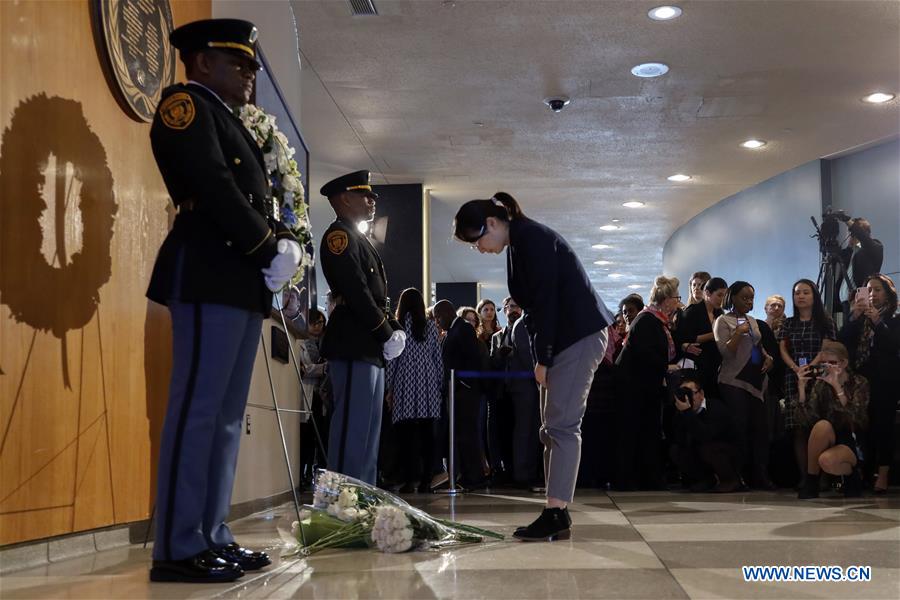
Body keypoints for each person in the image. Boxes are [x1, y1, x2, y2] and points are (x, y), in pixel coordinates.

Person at [146, 19, 299, 583]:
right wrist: (266, 244)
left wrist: (278, 244)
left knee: (228, 417)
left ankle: (212, 532)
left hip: (237, 277)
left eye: (253, 66)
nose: (250, 76)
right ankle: (179, 545)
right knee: (199, 409)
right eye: (240, 64)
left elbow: (247, 193)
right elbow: (212, 184)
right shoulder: (184, 108)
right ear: (201, 61)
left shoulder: (229, 119)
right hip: (209, 269)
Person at [453, 192, 612, 542]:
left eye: (477, 239)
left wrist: (543, 357)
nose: (478, 248)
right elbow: (539, 307)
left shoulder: (531, 239)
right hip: (568, 337)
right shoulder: (521, 241)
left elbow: (547, 303)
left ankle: (556, 512)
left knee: (562, 426)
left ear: (492, 224)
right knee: (550, 429)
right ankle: (555, 510)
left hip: (576, 337)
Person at [318, 170, 406, 485]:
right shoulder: (338, 238)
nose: (371, 202)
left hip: (368, 346)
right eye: (365, 195)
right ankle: (341, 503)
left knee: (368, 430)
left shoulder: (359, 240)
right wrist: (385, 331)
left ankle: (362, 497)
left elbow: (377, 296)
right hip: (353, 343)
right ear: (344, 198)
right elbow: (355, 290)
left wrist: (393, 326)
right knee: (351, 430)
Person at [615, 276, 681, 491]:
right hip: (636, 387)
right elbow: (645, 354)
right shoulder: (646, 320)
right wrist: (665, 367)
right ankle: (630, 478)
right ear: (666, 299)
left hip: (645, 386)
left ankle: (646, 477)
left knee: (646, 431)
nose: (678, 302)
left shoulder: (656, 320)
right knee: (635, 431)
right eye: (676, 298)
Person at [840, 274, 900, 493]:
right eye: (869, 290)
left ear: (888, 293)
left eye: (877, 290)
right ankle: (864, 472)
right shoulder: (858, 318)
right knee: (862, 425)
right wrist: (854, 316)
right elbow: (842, 342)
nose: (873, 294)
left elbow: (894, 346)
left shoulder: (894, 319)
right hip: (861, 380)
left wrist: (878, 322)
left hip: (886, 380)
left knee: (883, 426)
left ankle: (883, 474)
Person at [713, 281, 776, 489]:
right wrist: (738, 333)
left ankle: (759, 474)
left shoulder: (753, 321)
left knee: (759, 428)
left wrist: (767, 358)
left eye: (751, 298)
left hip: (755, 381)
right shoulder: (722, 321)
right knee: (739, 428)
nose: (749, 301)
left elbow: (757, 345)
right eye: (744, 297)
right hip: (733, 381)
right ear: (733, 298)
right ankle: (735, 475)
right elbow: (725, 352)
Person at [778, 279, 836, 486]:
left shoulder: (825, 320)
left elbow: (827, 347)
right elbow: (782, 348)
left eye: (805, 292)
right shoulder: (789, 322)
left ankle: (823, 476)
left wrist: (811, 366)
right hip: (794, 377)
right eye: (797, 293)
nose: (800, 296)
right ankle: (805, 476)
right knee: (799, 428)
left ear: (814, 296)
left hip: (819, 375)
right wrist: (796, 368)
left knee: (819, 425)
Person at [385, 289, 443, 493]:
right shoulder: (430, 327)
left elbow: (392, 360)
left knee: (406, 436)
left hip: (405, 380)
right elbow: (438, 359)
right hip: (428, 381)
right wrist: (439, 384)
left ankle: (409, 480)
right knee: (428, 435)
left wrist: (389, 388)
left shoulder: (397, 327)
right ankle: (427, 481)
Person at [795, 341, 869, 498]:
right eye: (824, 363)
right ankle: (811, 481)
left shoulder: (859, 382)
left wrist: (837, 387)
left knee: (827, 460)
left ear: (844, 363)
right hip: (830, 436)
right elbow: (807, 421)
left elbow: (856, 418)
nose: (827, 367)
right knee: (821, 426)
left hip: (853, 438)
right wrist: (801, 390)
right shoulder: (821, 384)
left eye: (832, 363)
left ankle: (852, 476)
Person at [433, 300, 487, 488]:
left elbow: (471, 358)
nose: (437, 322)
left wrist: (463, 382)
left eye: (438, 317)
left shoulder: (463, 328)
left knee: (468, 434)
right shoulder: (452, 331)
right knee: (461, 434)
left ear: (447, 313)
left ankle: (475, 477)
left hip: (466, 390)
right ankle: (466, 474)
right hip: (457, 391)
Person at [670, 371, 741, 492]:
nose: (687, 397)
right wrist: (683, 415)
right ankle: (705, 479)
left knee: (708, 448)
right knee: (676, 450)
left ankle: (730, 480)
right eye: (683, 393)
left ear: (701, 394)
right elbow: (679, 440)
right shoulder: (682, 412)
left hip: (729, 452)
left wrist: (687, 413)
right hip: (704, 450)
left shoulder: (715, 407)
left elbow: (706, 435)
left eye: (690, 393)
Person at [675, 277, 726, 397]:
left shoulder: (719, 313)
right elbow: (685, 338)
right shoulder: (692, 311)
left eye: (724, 295)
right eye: (719, 295)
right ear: (707, 293)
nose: (722, 299)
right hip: (697, 366)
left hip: (715, 365)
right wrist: (715, 334)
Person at [839, 217, 884, 309]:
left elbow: (865, 240)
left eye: (851, 231)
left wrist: (848, 222)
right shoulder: (850, 252)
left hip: (862, 297)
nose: (849, 234)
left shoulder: (875, 247)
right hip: (845, 301)